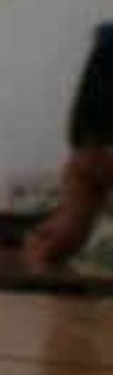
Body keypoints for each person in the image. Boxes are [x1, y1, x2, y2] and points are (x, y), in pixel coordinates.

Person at [28, 23, 113, 264]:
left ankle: (37, 262)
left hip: (88, 148)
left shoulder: (97, 69)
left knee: (71, 229)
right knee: (72, 227)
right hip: (97, 146)